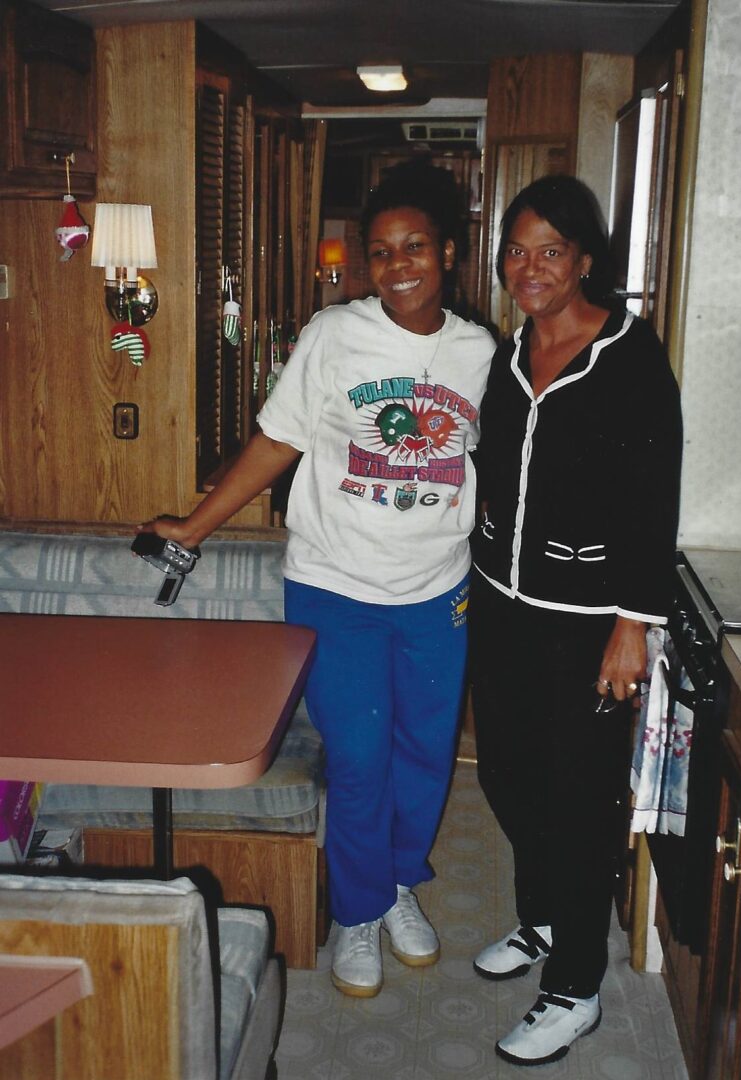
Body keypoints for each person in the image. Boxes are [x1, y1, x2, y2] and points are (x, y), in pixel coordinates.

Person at [138, 161, 495, 998]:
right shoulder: (333, 335)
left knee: (423, 754)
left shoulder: (478, 352)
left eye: (414, 246)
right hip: (335, 584)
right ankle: (359, 912)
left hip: (438, 587)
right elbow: (278, 442)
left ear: (448, 252)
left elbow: (503, 463)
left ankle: (399, 882)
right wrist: (192, 526)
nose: (397, 263)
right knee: (362, 754)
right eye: (380, 250)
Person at [468, 175, 682, 1066]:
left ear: (585, 259)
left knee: (579, 800)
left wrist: (633, 622)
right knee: (508, 778)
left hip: (589, 619)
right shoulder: (509, 352)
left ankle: (576, 990)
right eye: (516, 251)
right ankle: (545, 919)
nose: (529, 268)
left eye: (549, 251)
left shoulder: (628, 357)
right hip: (501, 604)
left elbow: (650, 497)